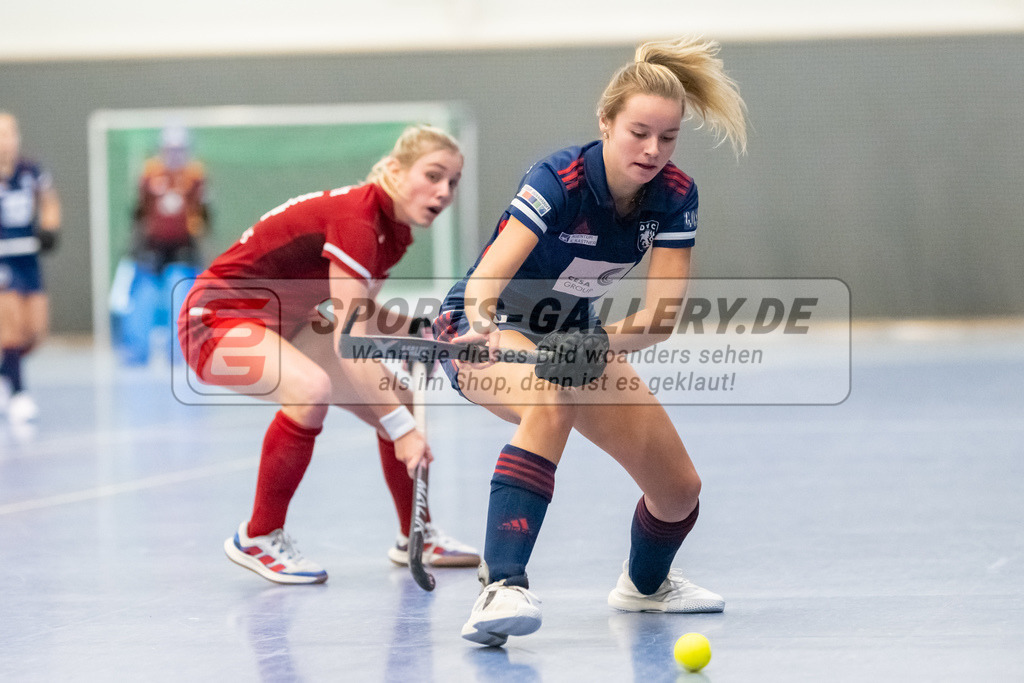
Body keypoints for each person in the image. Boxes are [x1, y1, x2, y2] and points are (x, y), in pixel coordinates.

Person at [432, 37, 748, 646]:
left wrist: (597, 346)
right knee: (550, 403)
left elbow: (660, 318)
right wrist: (490, 329)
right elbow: (485, 285)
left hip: (578, 336)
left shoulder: (676, 196)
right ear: (605, 123)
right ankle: (502, 585)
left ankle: (646, 587)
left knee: (679, 491)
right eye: (638, 132)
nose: (653, 150)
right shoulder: (560, 180)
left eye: (668, 137)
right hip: (481, 330)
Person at [177, 124, 479, 584]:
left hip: (286, 320)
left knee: (396, 396)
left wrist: (426, 331)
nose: (443, 191)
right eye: (433, 176)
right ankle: (258, 535)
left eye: (453, 182)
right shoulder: (359, 221)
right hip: (214, 316)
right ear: (395, 171)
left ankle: (415, 535)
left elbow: (359, 311)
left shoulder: (389, 228)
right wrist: (403, 433)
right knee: (311, 389)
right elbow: (351, 338)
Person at [112, 124, 211, 365]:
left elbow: (204, 215)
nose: (174, 155)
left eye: (179, 149)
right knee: (143, 295)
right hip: (152, 248)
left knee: (179, 292)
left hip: (182, 249)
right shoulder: (149, 173)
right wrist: (137, 245)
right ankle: (137, 350)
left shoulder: (196, 175)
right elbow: (139, 213)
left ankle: (181, 350)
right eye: (170, 149)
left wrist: (197, 242)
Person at [0, 111, 62, 423]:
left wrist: (49, 229)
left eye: (8, 133)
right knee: (7, 320)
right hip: (2, 260)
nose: (4, 142)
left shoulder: (30, 170)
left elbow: (49, 202)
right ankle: (18, 392)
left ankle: (5, 370)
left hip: (27, 257)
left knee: (34, 332)